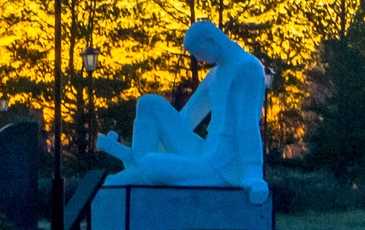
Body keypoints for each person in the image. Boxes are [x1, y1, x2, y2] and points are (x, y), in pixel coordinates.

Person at [94, 19, 267, 205]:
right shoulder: (214, 75)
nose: (200, 60)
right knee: (148, 103)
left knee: (150, 163)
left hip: (222, 167)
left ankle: (139, 167)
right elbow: (185, 120)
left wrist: (253, 173)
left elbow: (247, 125)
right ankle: (137, 165)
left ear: (211, 40)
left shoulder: (247, 69)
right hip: (203, 152)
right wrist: (158, 145)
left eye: (199, 53)